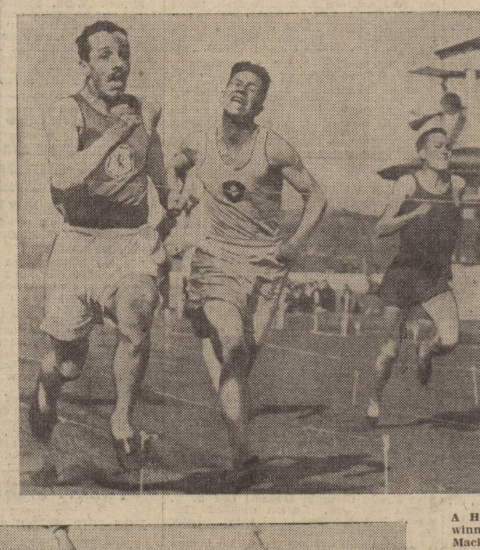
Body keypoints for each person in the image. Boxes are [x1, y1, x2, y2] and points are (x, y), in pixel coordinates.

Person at [30, 20, 177, 471]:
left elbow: (157, 171)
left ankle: (122, 421)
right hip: (78, 244)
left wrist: (176, 196)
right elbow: (63, 176)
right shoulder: (66, 111)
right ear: (84, 65)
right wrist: (113, 133)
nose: (118, 64)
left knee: (137, 313)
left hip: (129, 243)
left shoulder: (146, 111)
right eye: (106, 55)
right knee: (67, 364)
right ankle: (45, 392)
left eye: (124, 55)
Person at [172, 61, 327, 474]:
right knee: (233, 341)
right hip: (217, 259)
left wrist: (295, 244)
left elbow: (317, 197)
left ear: (261, 103)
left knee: (238, 363)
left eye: (253, 89)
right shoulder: (199, 142)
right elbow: (173, 166)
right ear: (224, 90)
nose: (243, 91)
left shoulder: (274, 148)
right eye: (236, 83)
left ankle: (237, 442)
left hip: (266, 267)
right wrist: (179, 194)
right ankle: (240, 457)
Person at [368, 126, 465, 426]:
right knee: (390, 350)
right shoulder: (407, 184)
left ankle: (426, 349)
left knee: (450, 339)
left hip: (433, 276)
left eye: (448, 146)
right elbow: (380, 228)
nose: (445, 151)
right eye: (437, 146)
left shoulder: (458, 185)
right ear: (422, 153)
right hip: (403, 274)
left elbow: (454, 224)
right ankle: (374, 401)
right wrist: (412, 215)